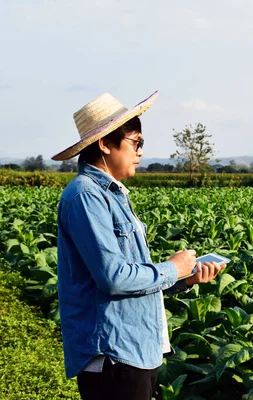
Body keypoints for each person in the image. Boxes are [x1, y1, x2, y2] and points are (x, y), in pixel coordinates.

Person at [52, 91, 224, 399]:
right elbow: (114, 278)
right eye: (136, 142)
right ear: (104, 143)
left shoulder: (112, 194)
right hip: (113, 356)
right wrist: (172, 268)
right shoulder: (86, 196)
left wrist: (184, 278)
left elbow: (130, 280)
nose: (141, 152)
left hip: (132, 349)